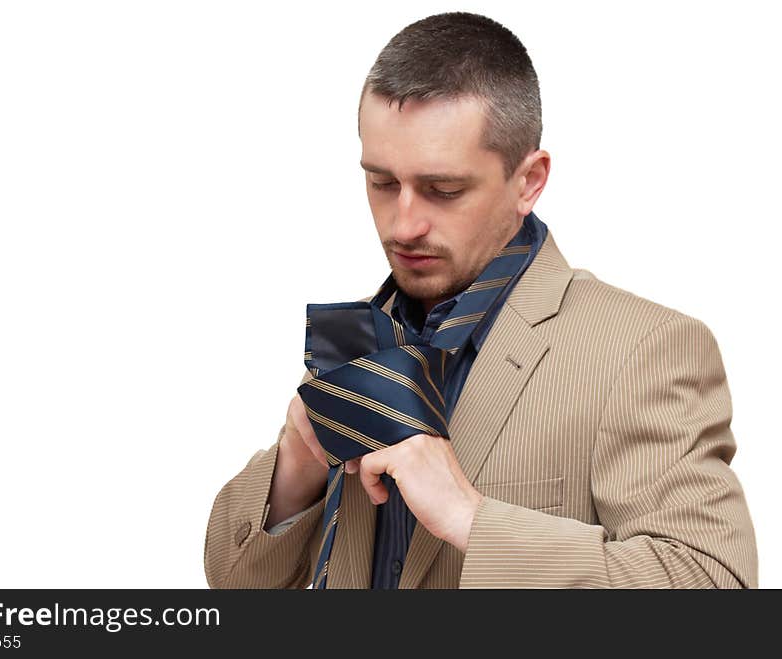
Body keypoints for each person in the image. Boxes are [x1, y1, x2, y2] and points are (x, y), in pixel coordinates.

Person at [203, 11, 758, 589]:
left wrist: (473, 520)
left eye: (444, 190)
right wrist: (295, 468)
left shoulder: (645, 349)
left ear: (529, 182)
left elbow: (712, 582)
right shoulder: (359, 337)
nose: (405, 224)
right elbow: (233, 586)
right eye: (382, 182)